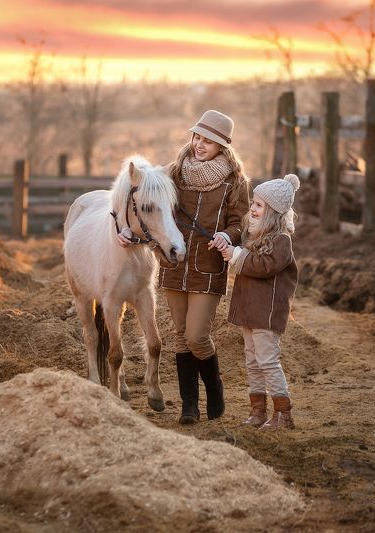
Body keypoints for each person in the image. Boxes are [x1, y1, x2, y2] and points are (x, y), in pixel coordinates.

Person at [119, 109, 249, 424]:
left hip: (208, 266)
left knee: (196, 336)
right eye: (197, 137)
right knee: (179, 336)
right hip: (174, 265)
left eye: (209, 141)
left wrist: (226, 235)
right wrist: (125, 227)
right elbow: (140, 193)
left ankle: (214, 389)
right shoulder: (173, 173)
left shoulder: (235, 181)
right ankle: (190, 405)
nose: (200, 144)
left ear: (223, 147)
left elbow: (239, 222)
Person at [220, 173, 300, 429]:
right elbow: (246, 257)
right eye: (253, 203)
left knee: (267, 361)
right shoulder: (254, 236)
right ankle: (258, 411)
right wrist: (231, 249)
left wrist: (236, 256)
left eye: (258, 205)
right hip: (250, 310)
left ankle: (283, 414)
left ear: (273, 212)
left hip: (266, 313)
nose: (252, 209)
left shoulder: (281, 241)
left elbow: (263, 267)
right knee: (252, 361)